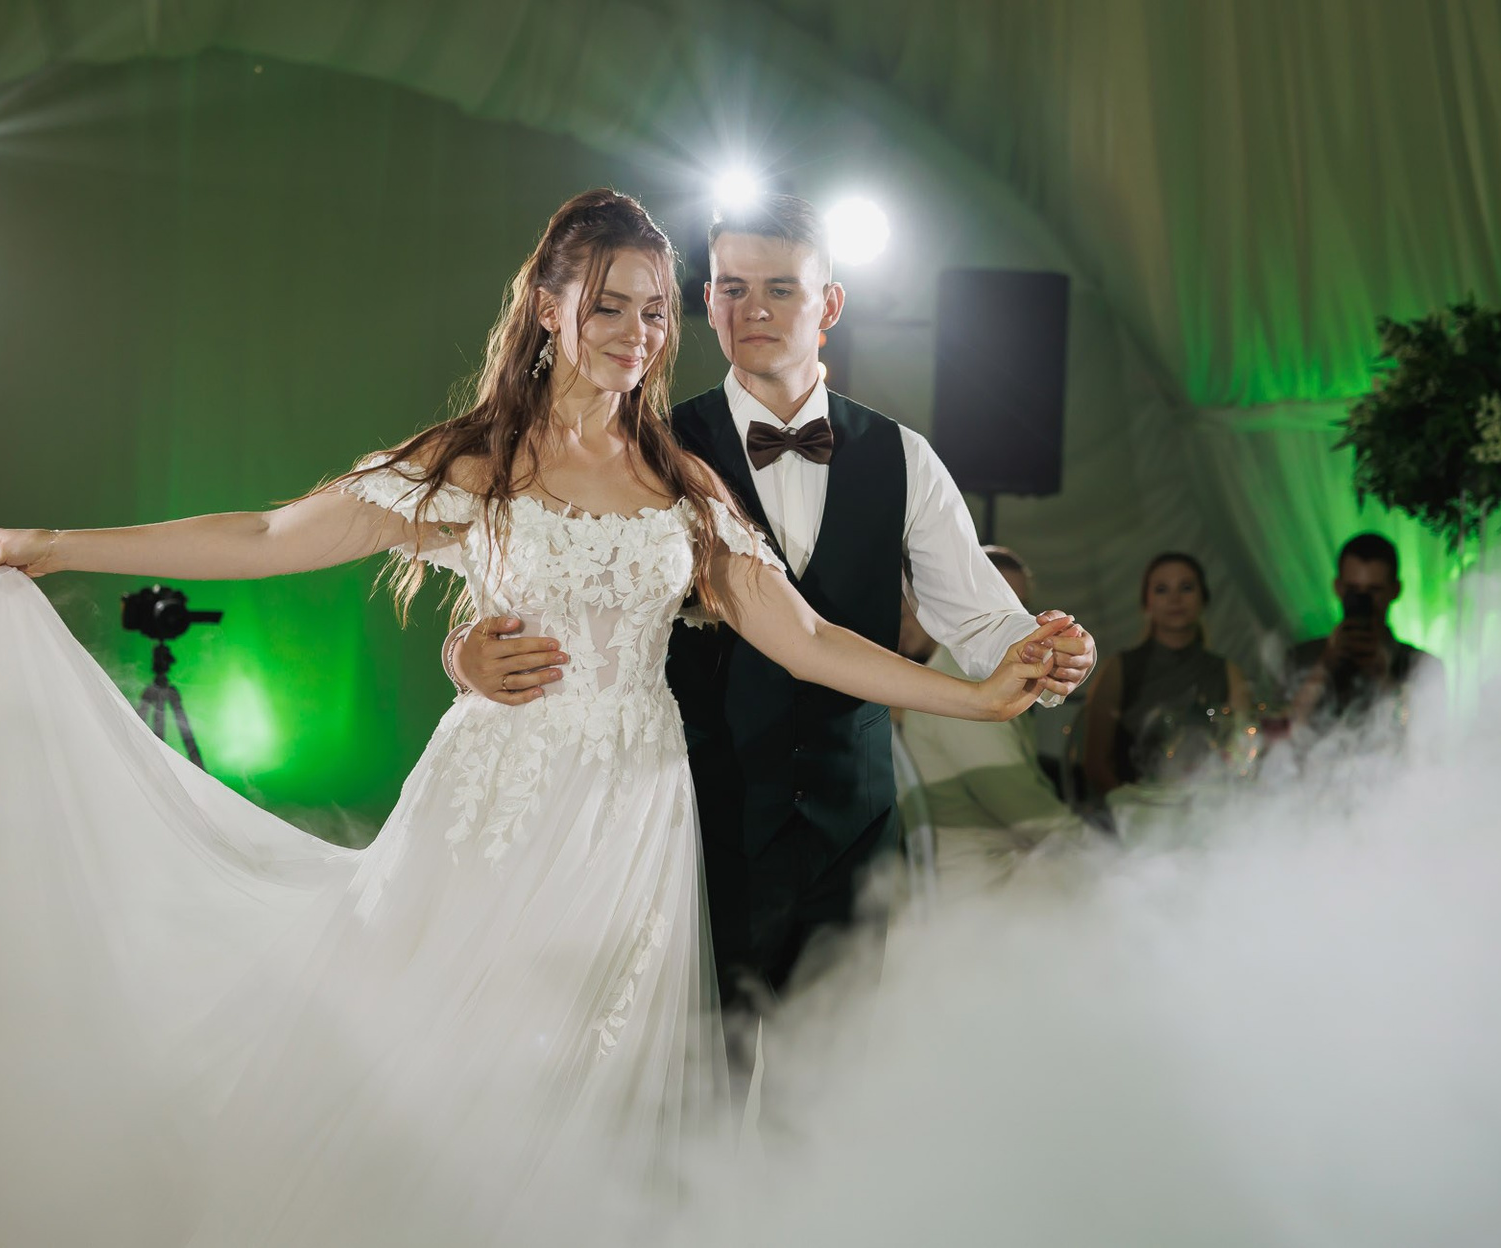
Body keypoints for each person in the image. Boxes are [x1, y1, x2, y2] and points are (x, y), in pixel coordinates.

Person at [0, 189, 1070, 1248]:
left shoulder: (685, 479)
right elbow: (271, 533)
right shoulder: (473, 459)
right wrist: (62, 542)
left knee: (599, 1096)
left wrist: (976, 691)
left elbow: (810, 638)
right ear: (549, 305)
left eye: (659, 311)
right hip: (498, 811)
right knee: (455, 1076)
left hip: (640, 821)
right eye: (611, 304)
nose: (639, 333)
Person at [448, 195, 1098, 1089]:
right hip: (686, 823)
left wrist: (1046, 653)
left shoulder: (902, 457)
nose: (754, 308)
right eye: (733, 288)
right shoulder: (645, 451)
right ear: (707, 304)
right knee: (682, 1091)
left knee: (827, 1096)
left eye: (781, 288)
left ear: (830, 304)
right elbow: (540, 579)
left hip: (848, 830)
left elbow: (982, 620)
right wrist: (463, 654)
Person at [895, 547, 1080, 892]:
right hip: (989, 887)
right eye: (1000, 606)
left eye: (1022, 611)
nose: (1016, 624)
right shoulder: (958, 680)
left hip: (996, 871)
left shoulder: (962, 675)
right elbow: (1026, 813)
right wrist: (1108, 853)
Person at [1081, 551, 1251, 797]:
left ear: (1203, 598)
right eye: (1162, 589)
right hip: (1135, 808)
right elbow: (1096, 764)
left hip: (1210, 806)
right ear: (1147, 603)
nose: (1175, 599)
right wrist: (1133, 808)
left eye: (1186, 587)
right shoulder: (1119, 669)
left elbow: (1243, 753)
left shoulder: (1228, 672)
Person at [1288, 532, 1443, 730]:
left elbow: (1428, 736)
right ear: (1338, 588)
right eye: (1353, 590)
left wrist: (1384, 679)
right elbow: (1279, 731)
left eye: (1374, 590)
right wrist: (1323, 667)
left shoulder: (1422, 666)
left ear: (1395, 590)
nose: (1363, 600)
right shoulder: (1300, 659)